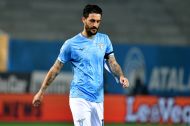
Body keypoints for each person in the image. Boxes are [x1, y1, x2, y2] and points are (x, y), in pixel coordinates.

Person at [32, 4, 129, 126]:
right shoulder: (71, 44)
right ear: (83, 19)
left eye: (98, 21)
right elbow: (55, 69)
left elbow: (112, 62)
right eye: (92, 21)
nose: (95, 25)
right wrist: (41, 92)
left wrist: (121, 76)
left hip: (98, 98)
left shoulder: (104, 40)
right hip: (79, 97)